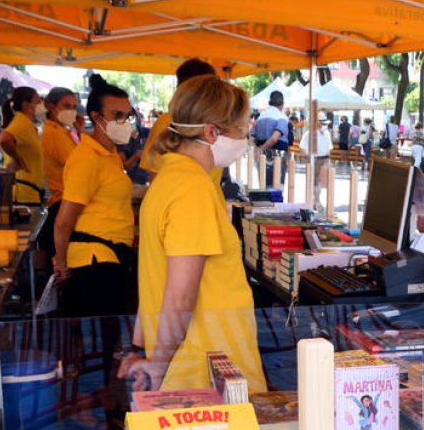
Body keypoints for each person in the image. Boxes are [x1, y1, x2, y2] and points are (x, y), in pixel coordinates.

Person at [120, 75, 265, 393]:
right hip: (207, 368)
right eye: (242, 128)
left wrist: (144, 349)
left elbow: (154, 276)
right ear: (212, 132)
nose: (246, 136)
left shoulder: (171, 178)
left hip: (198, 361)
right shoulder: (192, 189)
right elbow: (180, 295)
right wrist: (158, 362)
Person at [53, 74, 136, 370]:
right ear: (96, 117)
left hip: (112, 255)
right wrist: (61, 264)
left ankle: (108, 402)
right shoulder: (86, 157)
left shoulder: (110, 153)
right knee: (107, 343)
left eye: (127, 115)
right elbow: (64, 221)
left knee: (111, 341)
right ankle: (106, 407)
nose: (124, 121)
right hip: (94, 258)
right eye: (117, 115)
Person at [142, 59, 222, 189]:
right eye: (210, 88)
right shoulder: (167, 122)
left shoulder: (218, 122)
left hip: (211, 202)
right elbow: (156, 177)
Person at [38, 87, 80, 258]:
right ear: (51, 107)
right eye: (66, 106)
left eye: (74, 107)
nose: (72, 111)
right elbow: (78, 164)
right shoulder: (54, 133)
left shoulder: (63, 131)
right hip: (62, 202)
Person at [0, 86, 45, 204]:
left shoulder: (25, 123)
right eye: (38, 101)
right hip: (22, 194)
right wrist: (18, 160)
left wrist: (11, 155)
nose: (41, 104)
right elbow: (3, 140)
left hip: (28, 191)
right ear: (26, 105)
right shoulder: (21, 123)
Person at [252, 90, 290, 188]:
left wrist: (258, 150)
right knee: (277, 190)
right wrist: (263, 148)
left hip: (262, 158)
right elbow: (274, 138)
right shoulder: (282, 117)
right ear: (282, 104)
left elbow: (252, 138)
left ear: (269, 103)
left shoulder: (260, 118)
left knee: (264, 189)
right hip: (278, 157)